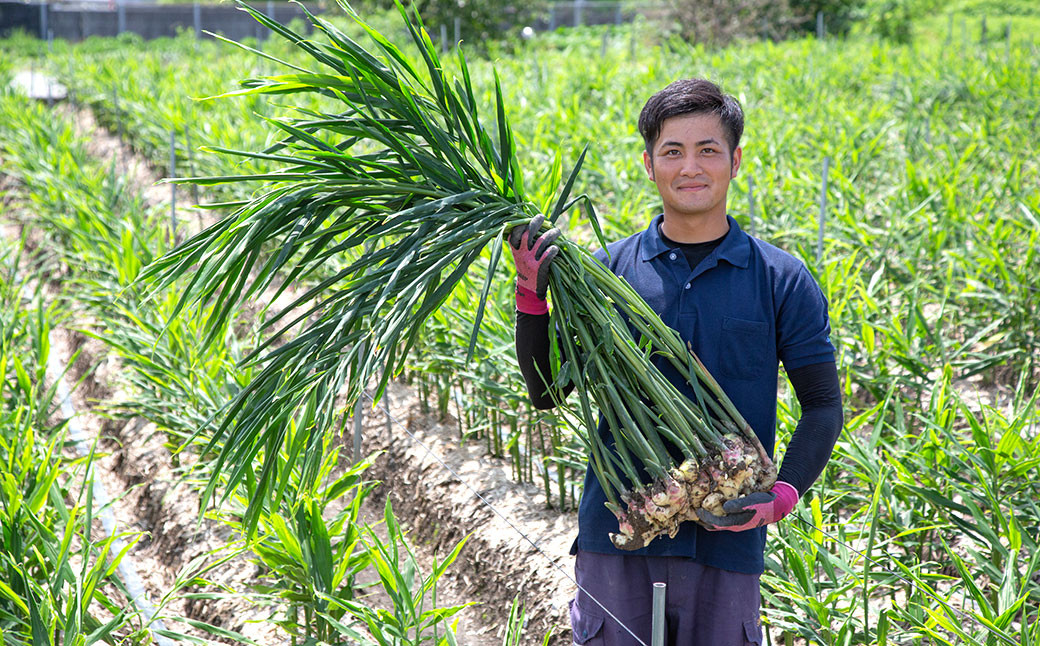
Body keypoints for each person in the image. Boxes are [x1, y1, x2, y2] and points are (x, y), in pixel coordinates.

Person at [507, 78, 844, 645]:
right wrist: (531, 297)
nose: (691, 167)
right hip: (620, 528)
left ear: (735, 161)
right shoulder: (603, 275)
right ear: (648, 163)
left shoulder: (779, 278)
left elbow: (823, 405)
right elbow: (547, 394)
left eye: (708, 150)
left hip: (727, 532)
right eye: (672, 151)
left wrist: (783, 494)